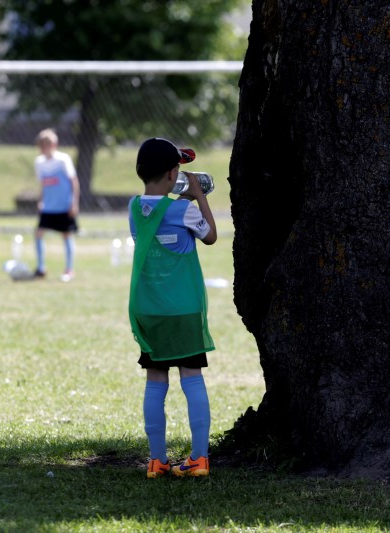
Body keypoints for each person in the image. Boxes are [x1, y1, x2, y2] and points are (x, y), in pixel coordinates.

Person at [128, 137, 218, 478]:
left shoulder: (133, 207)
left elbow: (155, 221)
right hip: (184, 309)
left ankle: (156, 460)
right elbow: (209, 236)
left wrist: (179, 200)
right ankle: (199, 458)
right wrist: (197, 196)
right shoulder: (184, 209)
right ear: (172, 173)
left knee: (155, 381)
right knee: (191, 378)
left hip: (149, 309)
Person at [33, 129, 80, 282]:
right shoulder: (39, 162)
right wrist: (40, 201)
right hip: (48, 207)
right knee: (38, 233)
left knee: (66, 235)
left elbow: (74, 182)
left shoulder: (63, 160)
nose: (44, 147)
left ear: (54, 144)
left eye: (48, 144)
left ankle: (69, 269)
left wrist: (74, 203)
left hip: (63, 206)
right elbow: (42, 185)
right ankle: (41, 268)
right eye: (42, 145)